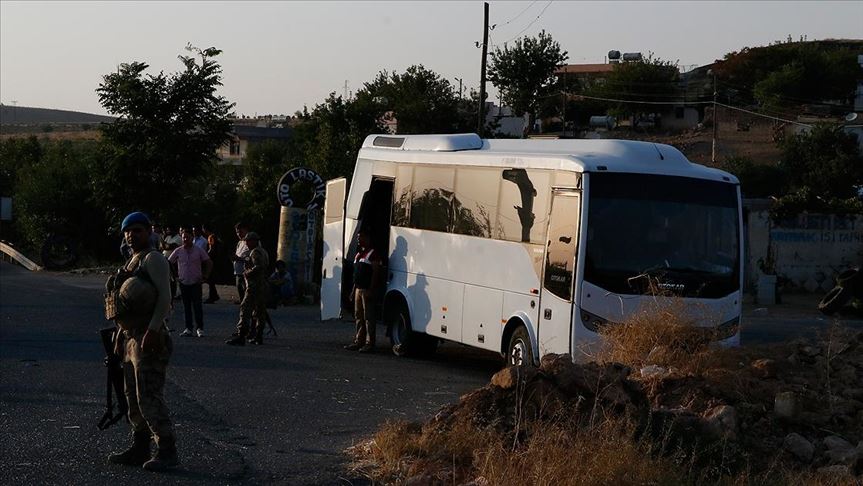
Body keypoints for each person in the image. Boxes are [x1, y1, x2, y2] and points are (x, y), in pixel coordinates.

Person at [108, 211, 178, 472]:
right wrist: (119, 334)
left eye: (137, 230)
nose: (131, 235)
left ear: (148, 232)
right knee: (132, 397)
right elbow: (123, 307)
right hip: (130, 337)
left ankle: (167, 450)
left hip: (149, 336)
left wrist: (153, 330)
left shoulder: (154, 259)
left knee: (149, 396)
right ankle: (140, 447)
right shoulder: (131, 262)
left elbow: (164, 298)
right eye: (127, 231)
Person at [226, 232, 269, 346]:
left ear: (254, 241)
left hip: (254, 285)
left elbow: (258, 267)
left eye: (248, 241)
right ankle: (259, 336)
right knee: (259, 311)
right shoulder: (263, 251)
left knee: (245, 309)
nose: (246, 243)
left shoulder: (255, 252)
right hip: (262, 285)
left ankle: (241, 335)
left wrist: (247, 273)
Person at [168, 228, 212, 337]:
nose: (185, 239)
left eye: (188, 237)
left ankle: (200, 328)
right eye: (184, 237)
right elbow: (168, 262)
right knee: (186, 307)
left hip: (196, 282)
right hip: (183, 282)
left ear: (192, 238)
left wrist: (205, 276)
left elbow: (209, 262)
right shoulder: (178, 250)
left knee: (197, 306)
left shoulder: (198, 250)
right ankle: (188, 328)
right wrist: (174, 276)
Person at [344, 228, 382, 353]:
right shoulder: (358, 254)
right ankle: (358, 340)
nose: (358, 240)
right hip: (358, 290)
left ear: (367, 238)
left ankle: (369, 343)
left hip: (367, 289)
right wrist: (353, 290)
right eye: (358, 237)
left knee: (368, 317)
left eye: (361, 237)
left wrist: (371, 289)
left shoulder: (373, 254)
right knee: (358, 316)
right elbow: (356, 275)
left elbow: (375, 273)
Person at [202, 224, 228, 304]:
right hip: (217, 260)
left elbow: (211, 249)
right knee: (211, 279)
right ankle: (214, 295)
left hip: (212, 260)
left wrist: (206, 256)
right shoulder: (216, 237)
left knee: (210, 279)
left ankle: (212, 296)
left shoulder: (211, 237)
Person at [230, 223, 251, 304]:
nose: (238, 234)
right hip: (238, 272)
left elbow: (252, 258)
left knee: (247, 292)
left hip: (246, 272)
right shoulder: (240, 243)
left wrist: (239, 259)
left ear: (246, 230)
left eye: (240, 232)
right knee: (240, 290)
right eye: (237, 232)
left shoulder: (251, 242)